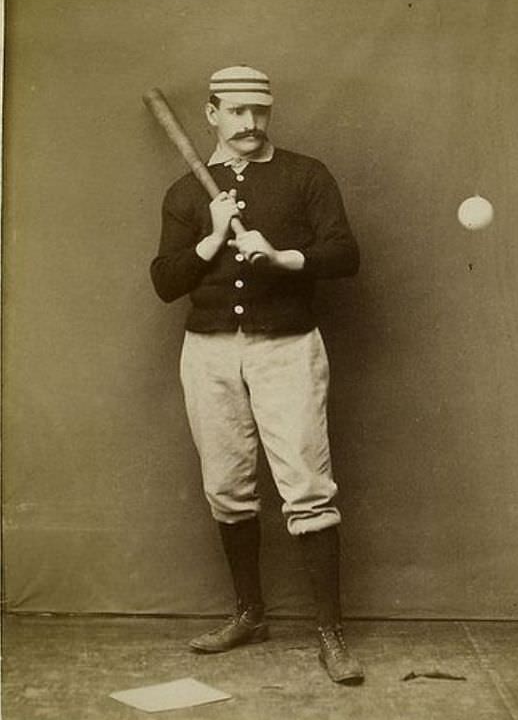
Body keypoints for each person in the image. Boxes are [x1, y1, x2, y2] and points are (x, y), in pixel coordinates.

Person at [150, 65, 363, 685]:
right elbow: (166, 282)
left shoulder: (305, 175)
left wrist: (282, 256)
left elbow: (346, 254)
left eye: (259, 112)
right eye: (236, 111)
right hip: (209, 353)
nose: (249, 123)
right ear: (212, 113)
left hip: (288, 348)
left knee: (306, 487)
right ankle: (249, 613)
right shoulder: (188, 194)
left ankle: (330, 633)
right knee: (226, 485)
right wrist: (212, 238)